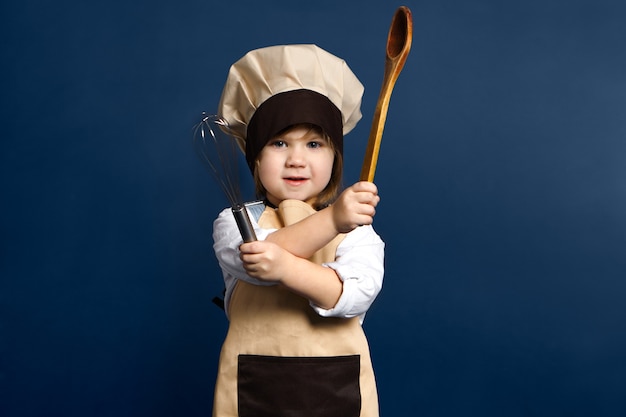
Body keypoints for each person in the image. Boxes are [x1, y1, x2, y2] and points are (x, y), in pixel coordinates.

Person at [211, 44, 385, 417]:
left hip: (338, 392)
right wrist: (330, 221)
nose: (296, 159)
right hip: (254, 390)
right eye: (278, 143)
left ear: (334, 155)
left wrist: (287, 267)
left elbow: (350, 297)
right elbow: (257, 260)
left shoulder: (356, 232)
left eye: (313, 143)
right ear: (255, 155)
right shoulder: (237, 222)